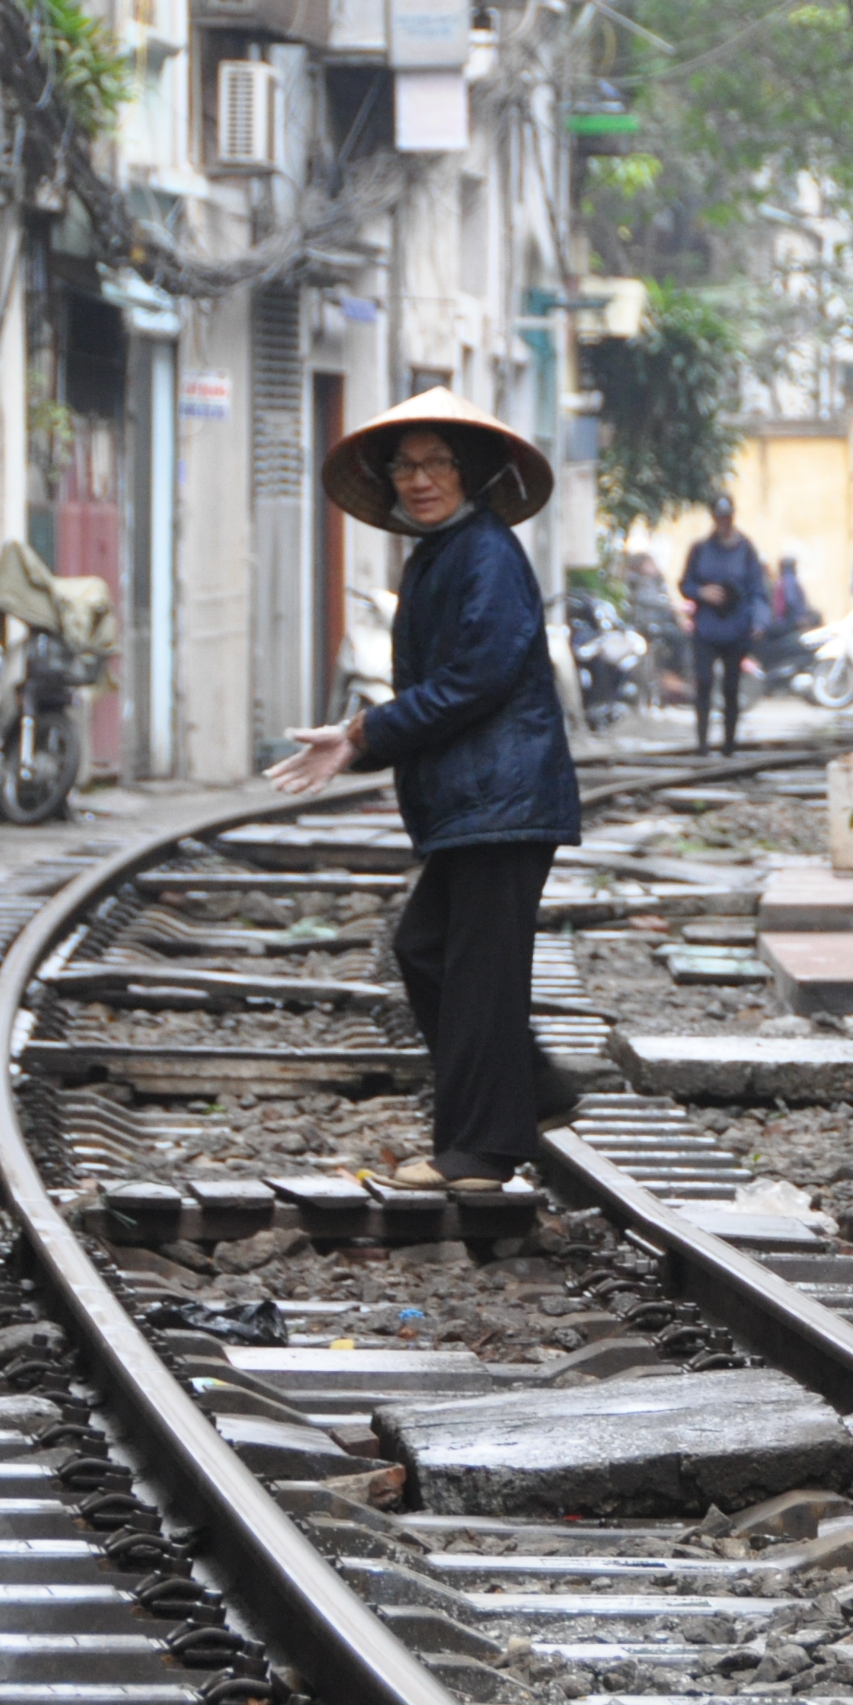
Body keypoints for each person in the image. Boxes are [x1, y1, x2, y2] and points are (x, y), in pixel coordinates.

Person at [265, 388, 581, 1192]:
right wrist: (358, 741)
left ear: (469, 472)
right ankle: (525, 1097)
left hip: (501, 803)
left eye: (437, 461)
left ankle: (478, 1152)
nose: (419, 479)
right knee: (433, 953)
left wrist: (366, 734)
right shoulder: (445, 552)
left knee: (470, 967)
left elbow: (475, 679)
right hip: (477, 806)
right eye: (404, 465)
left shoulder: (484, 552)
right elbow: (444, 689)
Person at [678, 494, 769, 753]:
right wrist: (701, 593)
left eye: (727, 517)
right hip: (706, 628)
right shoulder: (700, 550)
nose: (723, 523)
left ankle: (729, 744)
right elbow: (685, 584)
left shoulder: (746, 551)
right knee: (704, 682)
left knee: (731, 687)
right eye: (719, 517)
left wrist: (759, 621)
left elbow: (757, 591)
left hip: (736, 629)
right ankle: (702, 743)